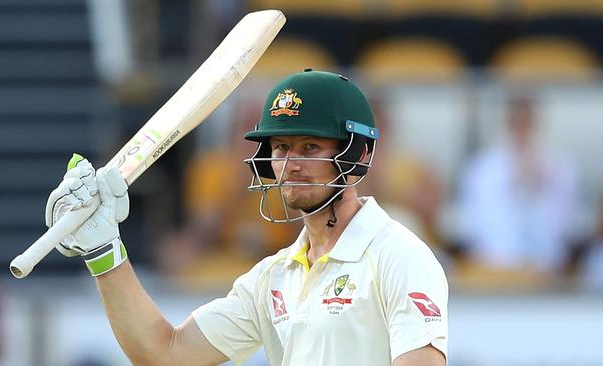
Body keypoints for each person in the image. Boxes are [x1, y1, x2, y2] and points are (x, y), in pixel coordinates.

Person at [46, 70, 448, 365]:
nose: (290, 163)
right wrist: (104, 250)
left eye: (310, 146)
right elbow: (163, 353)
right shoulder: (273, 277)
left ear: (358, 154)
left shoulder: (399, 255)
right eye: (280, 147)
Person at [456, 96, 578, 275]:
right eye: (516, 122)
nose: (522, 130)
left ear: (537, 124)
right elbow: (469, 227)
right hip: (495, 270)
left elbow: (570, 227)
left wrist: (544, 184)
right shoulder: (481, 170)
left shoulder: (561, 169)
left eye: (527, 122)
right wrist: (509, 185)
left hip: (548, 272)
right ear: (506, 124)